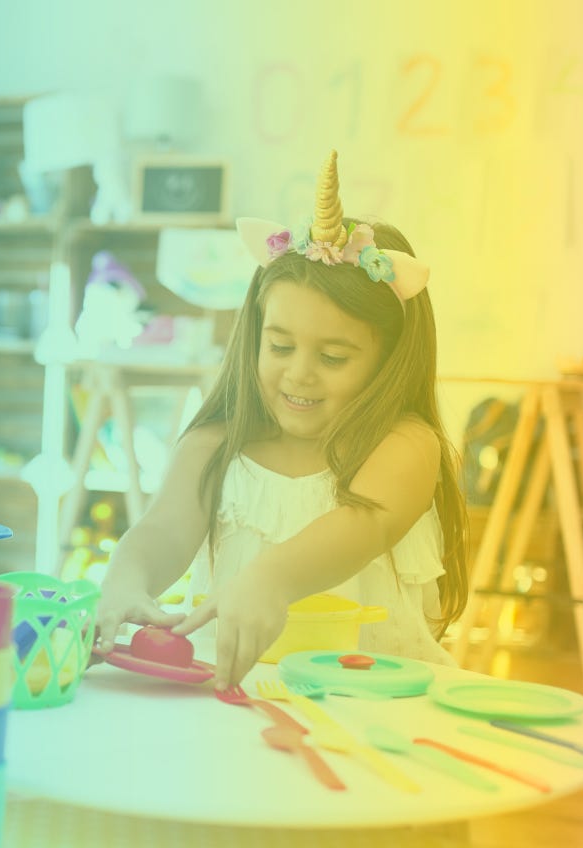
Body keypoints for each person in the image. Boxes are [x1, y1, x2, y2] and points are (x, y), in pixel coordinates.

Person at [94, 151, 468, 690]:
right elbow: (163, 529)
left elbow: (361, 526)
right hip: (233, 695)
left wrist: (271, 578)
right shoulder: (216, 442)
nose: (300, 374)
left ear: (390, 361)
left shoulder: (405, 446)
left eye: (333, 357)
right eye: (280, 345)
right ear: (255, 335)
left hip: (374, 701)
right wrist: (126, 577)